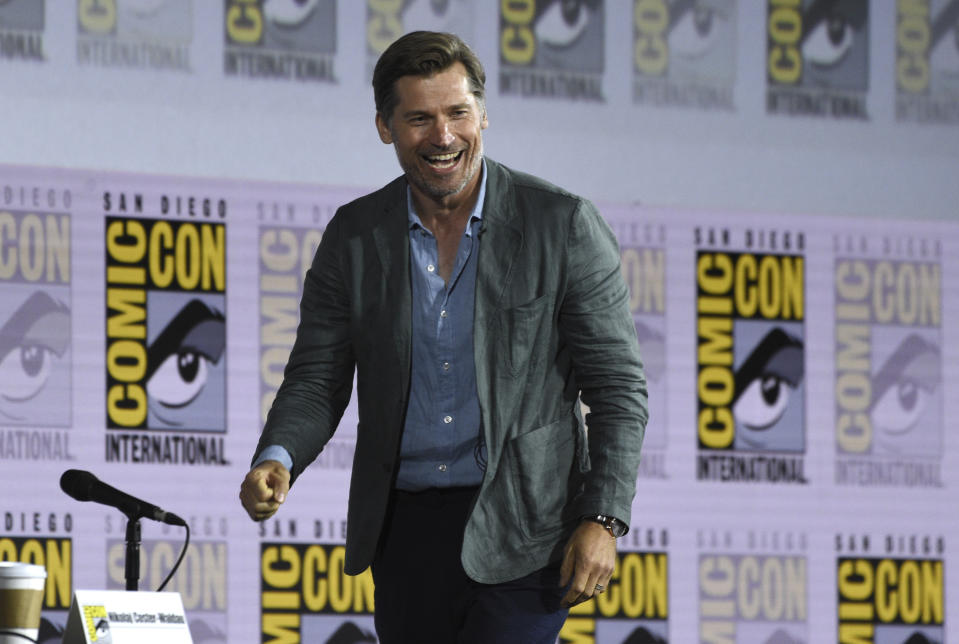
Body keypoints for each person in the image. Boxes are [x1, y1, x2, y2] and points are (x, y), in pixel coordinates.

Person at [240, 30, 647, 643]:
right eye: (420, 119)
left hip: (528, 525)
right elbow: (317, 378)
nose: (444, 136)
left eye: (458, 113)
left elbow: (617, 389)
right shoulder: (353, 237)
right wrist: (277, 457)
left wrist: (604, 518)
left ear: (483, 114)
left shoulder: (561, 224)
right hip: (405, 529)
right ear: (385, 126)